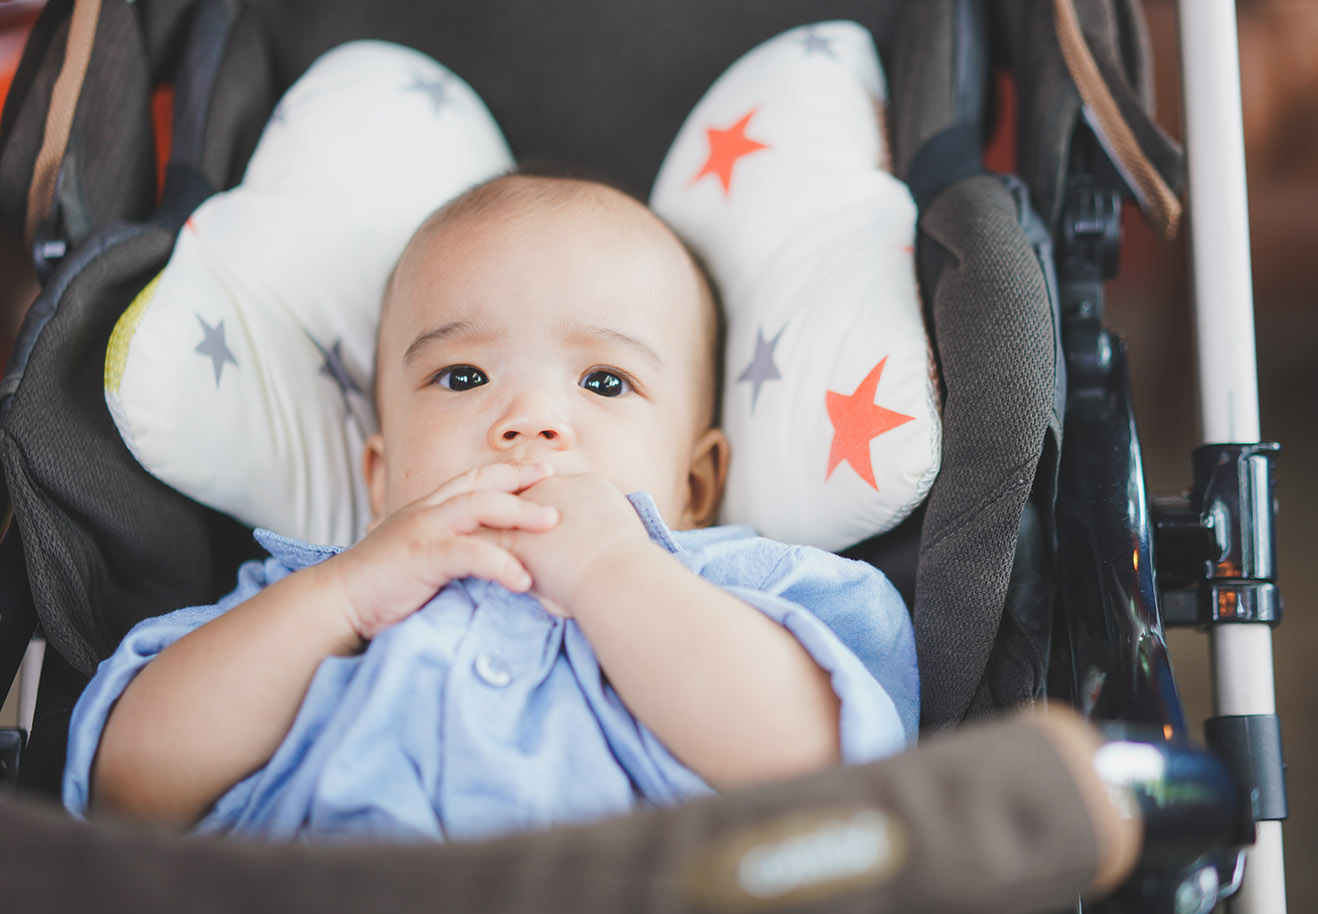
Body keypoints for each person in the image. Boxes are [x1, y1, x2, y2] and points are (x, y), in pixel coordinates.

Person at [62, 172, 919, 842]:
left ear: (695, 486)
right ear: (379, 472)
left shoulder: (737, 592)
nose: (530, 420)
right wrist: (348, 594)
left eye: (604, 381)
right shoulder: (306, 601)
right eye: (463, 376)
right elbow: (128, 786)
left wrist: (612, 570)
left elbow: (830, 772)